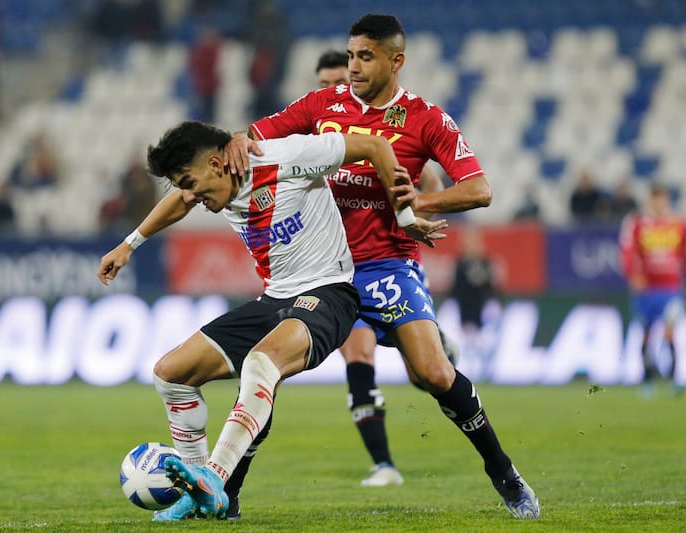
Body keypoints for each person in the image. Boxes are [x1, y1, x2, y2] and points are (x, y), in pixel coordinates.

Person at [224, 14, 540, 520]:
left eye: (365, 56)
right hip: (324, 272)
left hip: (387, 265)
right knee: (267, 372)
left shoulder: (425, 118)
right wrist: (237, 139)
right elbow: (256, 137)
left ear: (397, 61)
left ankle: (503, 472)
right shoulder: (322, 105)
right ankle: (228, 493)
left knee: (435, 374)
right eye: (350, 56)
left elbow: (479, 189)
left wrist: (420, 204)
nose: (353, 67)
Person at [97, 120, 446, 519]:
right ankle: (197, 491)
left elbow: (374, 146)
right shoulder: (210, 182)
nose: (190, 195)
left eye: (189, 182)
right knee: (170, 374)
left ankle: (214, 479)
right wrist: (129, 245)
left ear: (215, 164)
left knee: (260, 364)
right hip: (275, 298)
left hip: (329, 293)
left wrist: (404, 218)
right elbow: (180, 201)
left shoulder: (287, 156)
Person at [313, 49, 459, 488]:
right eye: (323, 84)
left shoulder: (386, 131)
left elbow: (426, 186)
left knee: (426, 377)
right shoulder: (315, 131)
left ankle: (439, 351)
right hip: (338, 269)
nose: (332, 90)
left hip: (389, 264)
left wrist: (416, 204)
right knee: (357, 356)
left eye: (337, 81)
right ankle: (384, 465)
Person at [619, 183, 686, 396]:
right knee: (647, 335)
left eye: (662, 198)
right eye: (655, 198)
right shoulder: (638, 223)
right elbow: (627, 251)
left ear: (667, 200)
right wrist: (632, 275)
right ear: (651, 200)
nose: (659, 202)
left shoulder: (677, 224)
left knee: (669, 333)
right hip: (647, 288)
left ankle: (674, 378)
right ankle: (647, 380)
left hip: (670, 288)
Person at [450, 225, 500, 381]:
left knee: (481, 341)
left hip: (481, 307)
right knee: (467, 341)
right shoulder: (461, 263)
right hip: (465, 306)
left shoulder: (485, 262)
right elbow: (455, 287)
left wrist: (493, 302)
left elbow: (491, 286)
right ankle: (469, 370)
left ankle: (482, 369)